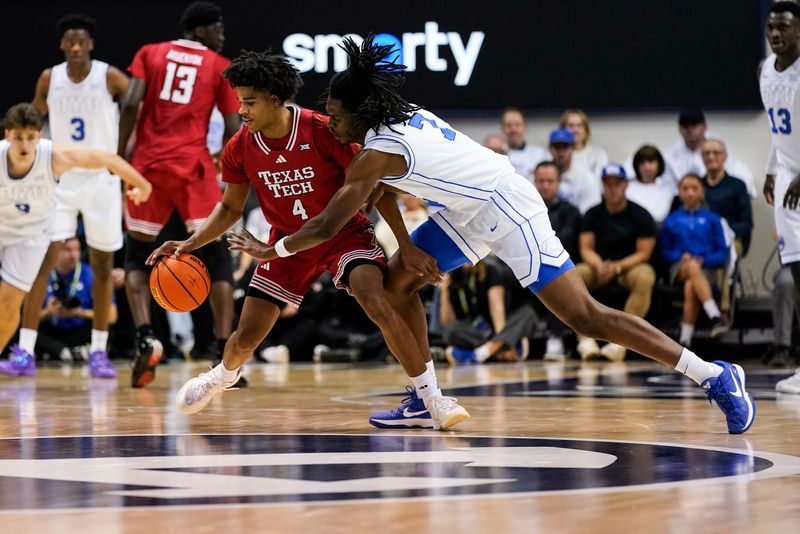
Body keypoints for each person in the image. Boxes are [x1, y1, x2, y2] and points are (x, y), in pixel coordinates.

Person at [235, 35, 755, 434]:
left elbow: (327, 223)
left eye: (336, 114)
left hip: (508, 208)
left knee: (585, 317)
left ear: (362, 114)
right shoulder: (390, 121)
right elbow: (378, 194)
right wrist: (410, 246)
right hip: (466, 210)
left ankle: (712, 374)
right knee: (395, 284)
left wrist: (272, 248)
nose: (329, 121)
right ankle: (425, 396)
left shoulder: (377, 152)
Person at [145, 50, 469, 429]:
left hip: (344, 236)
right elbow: (230, 209)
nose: (242, 110)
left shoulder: (322, 129)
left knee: (377, 299)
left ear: (274, 99)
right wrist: (189, 244)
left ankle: (432, 399)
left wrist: (406, 245)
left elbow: (377, 188)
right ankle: (223, 376)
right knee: (246, 336)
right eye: (239, 102)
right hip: (286, 243)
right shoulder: (239, 147)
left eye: (249, 102)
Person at [117, 1, 241, 388]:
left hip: (148, 165)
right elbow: (233, 120)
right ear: (201, 30)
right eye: (218, 28)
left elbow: (132, 102)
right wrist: (229, 159)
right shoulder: (219, 64)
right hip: (193, 165)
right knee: (217, 256)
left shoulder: (149, 52)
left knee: (137, 254)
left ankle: (145, 336)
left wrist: (122, 156)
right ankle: (225, 355)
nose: (222, 34)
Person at [0, 103, 150, 377]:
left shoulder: (53, 156)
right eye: (18, 137)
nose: (24, 144)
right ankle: (24, 350)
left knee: (8, 303)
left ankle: (21, 350)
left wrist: (142, 184)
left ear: (39, 137)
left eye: (30, 137)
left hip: (30, 234)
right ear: (7, 135)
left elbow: (108, 159)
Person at [17, 14, 129, 379]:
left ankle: (99, 352)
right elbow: (32, 117)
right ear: (62, 45)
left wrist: (123, 155)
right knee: (42, 262)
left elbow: (136, 107)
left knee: (101, 265)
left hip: (101, 177)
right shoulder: (51, 78)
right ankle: (25, 350)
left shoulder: (109, 76)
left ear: (91, 44)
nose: (76, 47)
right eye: (70, 42)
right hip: (61, 180)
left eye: (82, 41)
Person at [574, 164, 657, 362]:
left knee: (646, 275)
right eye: (608, 184)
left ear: (626, 185)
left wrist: (619, 266)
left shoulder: (641, 214)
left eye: (617, 183)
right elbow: (585, 248)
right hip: (599, 267)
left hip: (628, 268)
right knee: (574, 274)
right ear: (602, 185)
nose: (613, 188)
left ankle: (621, 342)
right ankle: (584, 340)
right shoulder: (592, 213)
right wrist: (598, 265)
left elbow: (644, 253)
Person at [761, 1, 800, 394]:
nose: (776, 33)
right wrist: (773, 169)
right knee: (797, 271)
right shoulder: (765, 72)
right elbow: (778, 130)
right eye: (771, 27)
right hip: (790, 179)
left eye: (784, 27)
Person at [659, 175, 730, 346]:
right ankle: (714, 314)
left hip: (706, 269)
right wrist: (679, 256)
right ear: (680, 192)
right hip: (678, 268)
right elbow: (664, 251)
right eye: (685, 189)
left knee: (692, 285)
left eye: (694, 188)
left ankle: (685, 340)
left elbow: (722, 252)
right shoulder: (672, 219)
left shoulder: (713, 219)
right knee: (690, 267)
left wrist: (704, 260)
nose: (690, 193)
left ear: (702, 191)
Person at [35, 237, 119, 362]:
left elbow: (112, 317)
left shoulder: (91, 274)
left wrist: (80, 313)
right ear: (54, 251)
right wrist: (49, 312)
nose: (73, 254)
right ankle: (68, 352)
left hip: (78, 329)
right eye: (67, 250)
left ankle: (59, 352)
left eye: (77, 249)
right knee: (21, 329)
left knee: (106, 329)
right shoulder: (42, 275)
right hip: (51, 329)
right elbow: (25, 318)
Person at [441, 261, 536, 365]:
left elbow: (497, 309)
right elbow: (447, 322)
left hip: (497, 328)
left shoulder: (489, 270)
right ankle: (499, 352)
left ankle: (481, 353)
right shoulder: (453, 276)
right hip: (474, 333)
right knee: (451, 330)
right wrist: (444, 291)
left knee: (528, 313)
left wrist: (501, 337)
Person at [533, 160, 582, 360]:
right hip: (526, 263)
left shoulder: (571, 212)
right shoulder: (527, 208)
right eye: (541, 181)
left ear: (558, 182)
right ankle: (500, 334)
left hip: (560, 264)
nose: (545, 185)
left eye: (550, 181)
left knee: (552, 276)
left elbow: (566, 242)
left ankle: (555, 337)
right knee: (496, 275)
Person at [664, 108, 756, 196]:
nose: (689, 129)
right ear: (679, 129)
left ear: (704, 127)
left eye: (694, 125)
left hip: (719, 199)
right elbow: (667, 188)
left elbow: (743, 177)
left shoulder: (716, 148)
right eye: (685, 126)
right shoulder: (670, 156)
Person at [548, 127, 601, 214]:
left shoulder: (587, 178)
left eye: (565, 147)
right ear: (550, 148)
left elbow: (590, 214)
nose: (561, 152)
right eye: (557, 147)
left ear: (573, 148)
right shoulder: (540, 176)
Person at [625, 145, 676, 225]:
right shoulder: (628, 187)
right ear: (636, 165)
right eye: (642, 163)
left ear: (659, 165)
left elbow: (660, 215)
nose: (647, 167)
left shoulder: (668, 189)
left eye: (651, 162)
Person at [559, 109, 608, 177]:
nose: (575, 130)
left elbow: (599, 181)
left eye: (579, 126)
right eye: (570, 126)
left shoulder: (598, 154)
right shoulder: (556, 155)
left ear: (586, 130)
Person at [500, 107, 548, 177]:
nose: (513, 129)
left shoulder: (540, 154)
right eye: (509, 125)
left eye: (517, 124)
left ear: (525, 127)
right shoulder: (497, 155)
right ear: (502, 128)